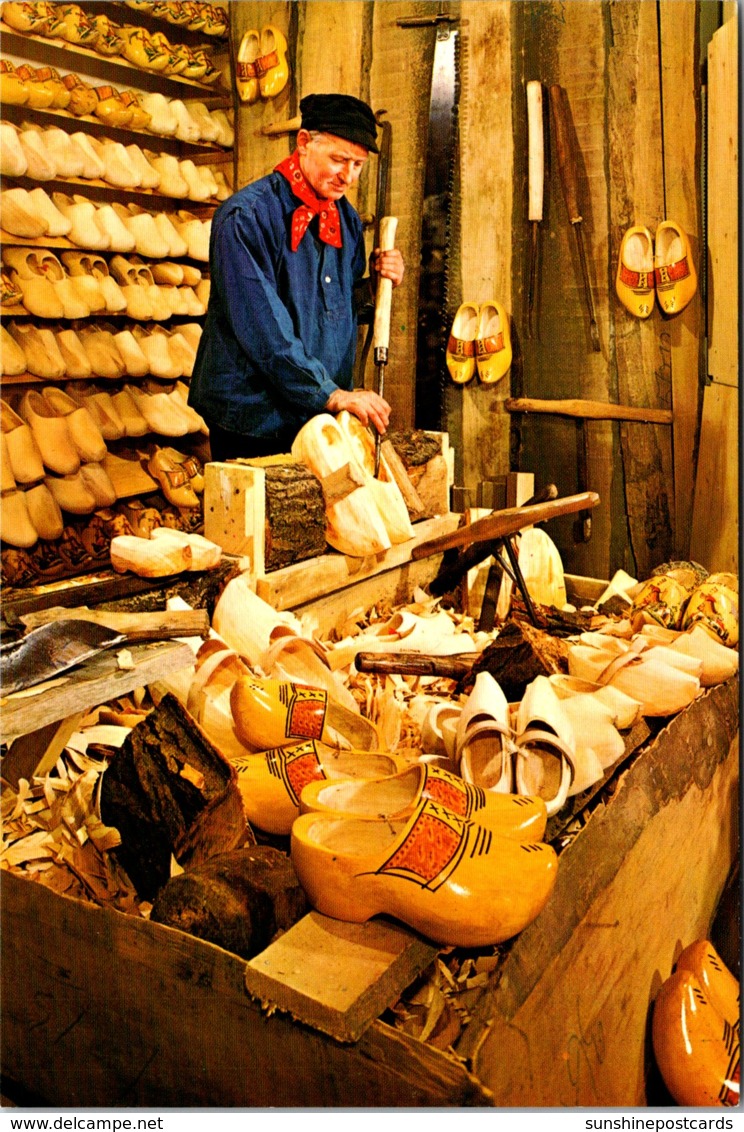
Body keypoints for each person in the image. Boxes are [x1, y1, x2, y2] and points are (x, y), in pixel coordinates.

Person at [188, 92, 405, 461]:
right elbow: (264, 331)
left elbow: (340, 312)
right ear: (303, 143)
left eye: (357, 165)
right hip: (253, 417)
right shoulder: (246, 218)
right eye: (338, 160)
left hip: (313, 414)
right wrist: (331, 394)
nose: (347, 177)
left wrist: (376, 285)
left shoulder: (346, 220)